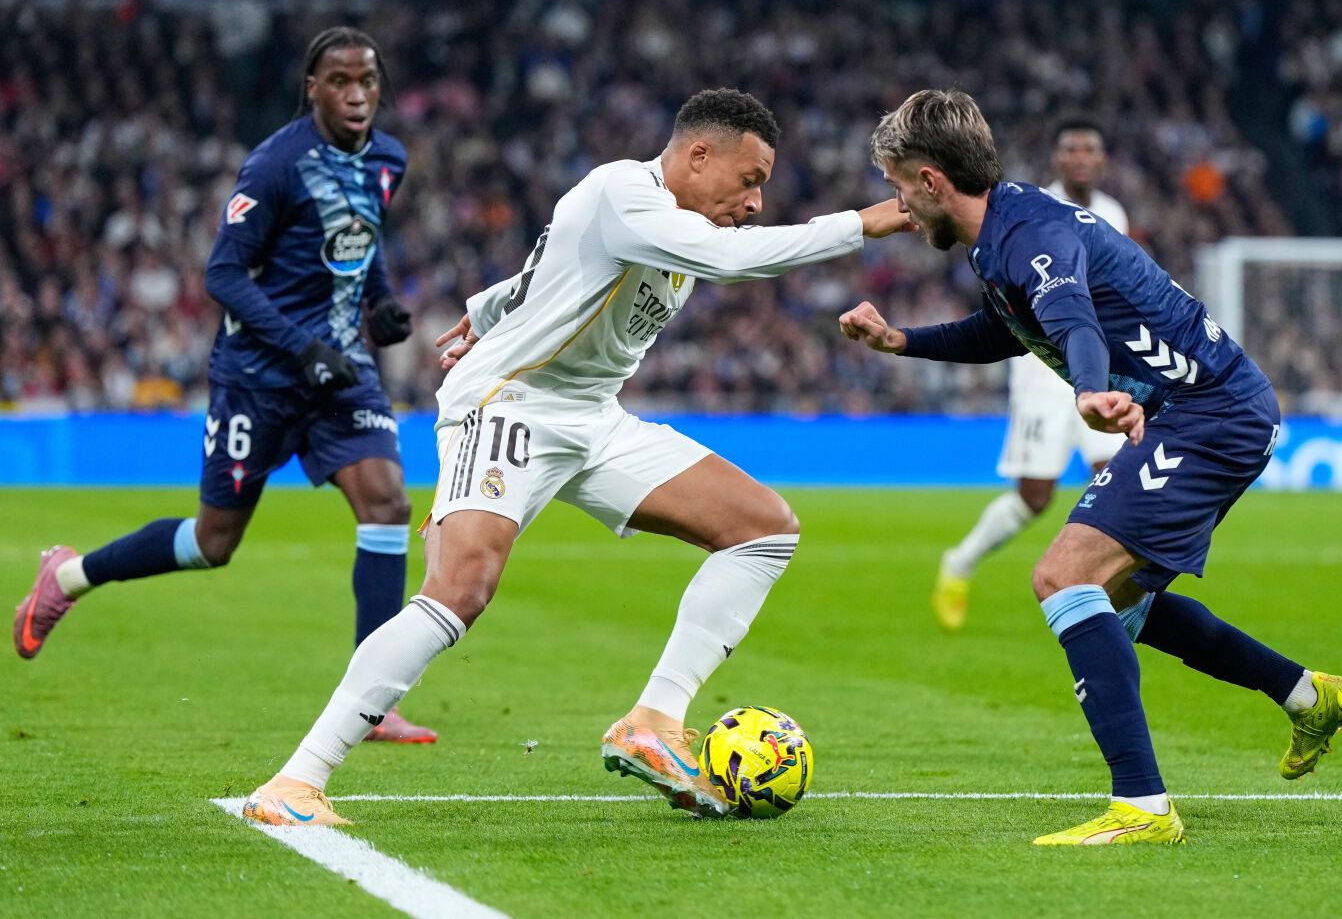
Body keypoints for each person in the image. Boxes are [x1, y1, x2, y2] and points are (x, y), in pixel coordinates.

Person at [241, 87, 913, 827]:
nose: (755, 202)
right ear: (698, 155)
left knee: (764, 528)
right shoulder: (625, 190)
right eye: (749, 180)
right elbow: (724, 260)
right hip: (511, 402)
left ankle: (653, 721)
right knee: (461, 588)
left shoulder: (664, 221)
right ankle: (294, 782)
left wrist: (488, 308)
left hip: (594, 417)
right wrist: (861, 223)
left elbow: (555, 263)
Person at [841, 88, 1342, 847]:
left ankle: (1142, 806)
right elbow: (1007, 328)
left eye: (897, 186)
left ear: (931, 180)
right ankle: (1308, 695)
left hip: (1210, 411)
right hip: (1209, 410)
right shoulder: (1004, 229)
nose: (897, 207)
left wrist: (1089, 390)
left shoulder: (1032, 235)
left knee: (1064, 577)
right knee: (1118, 604)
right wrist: (902, 341)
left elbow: (1072, 318)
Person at [14, 27, 435, 744]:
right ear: (312, 88)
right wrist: (301, 346)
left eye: (367, 80)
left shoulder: (387, 159)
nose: (356, 94)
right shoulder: (276, 165)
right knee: (213, 542)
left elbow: (361, 242)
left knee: (388, 503)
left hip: (340, 371)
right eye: (340, 81)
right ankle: (68, 577)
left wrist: (381, 302)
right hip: (260, 377)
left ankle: (371, 703)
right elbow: (223, 274)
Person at [934, 121, 1130, 631]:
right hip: (1043, 369)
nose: (1081, 157)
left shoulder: (1114, 213)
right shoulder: (1034, 208)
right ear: (1057, 158)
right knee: (1035, 496)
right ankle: (960, 562)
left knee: (1112, 475)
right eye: (1071, 149)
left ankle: (1105, 591)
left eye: (1090, 148)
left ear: (1102, 159)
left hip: (1096, 364)